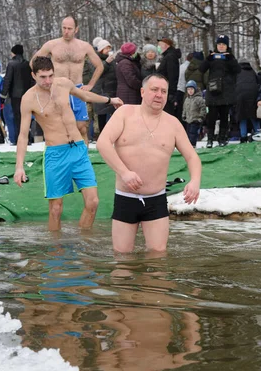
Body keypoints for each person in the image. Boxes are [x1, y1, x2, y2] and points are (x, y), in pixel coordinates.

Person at [13, 57, 123, 231]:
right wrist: (19, 167)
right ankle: (56, 252)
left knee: (93, 202)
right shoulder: (28, 99)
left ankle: (82, 243)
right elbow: (23, 135)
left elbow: (85, 95)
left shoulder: (63, 84)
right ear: (33, 75)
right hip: (55, 154)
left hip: (78, 149)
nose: (48, 81)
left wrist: (110, 100)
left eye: (50, 75)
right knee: (56, 209)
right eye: (43, 77)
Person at [96, 73, 201, 253]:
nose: (159, 95)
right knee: (122, 259)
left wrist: (195, 181)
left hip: (156, 199)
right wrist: (124, 172)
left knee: (158, 258)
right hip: (125, 197)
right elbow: (102, 143)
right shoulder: (125, 113)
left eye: (163, 91)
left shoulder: (173, 123)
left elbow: (192, 157)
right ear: (143, 92)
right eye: (154, 90)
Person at [32, 16, 104, 146]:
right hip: (58, 89)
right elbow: (33, 63)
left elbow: (99, 66)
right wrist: (44, 81)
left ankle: (83, 158)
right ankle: (64, 156)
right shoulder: (52, 45)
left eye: (69, 28)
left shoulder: (84, 46)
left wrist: (90, 85)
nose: (66, 31)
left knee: (82, 127)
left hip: (77, 89)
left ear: (76, 29)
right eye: (64, 28)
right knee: (60, 127)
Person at [199, 35, 241, 147]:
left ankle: (222, 139)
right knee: (211, 117)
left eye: (223, 44)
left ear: (227, 46)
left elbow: (237, 70)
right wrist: (208, 58)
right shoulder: (212, 57)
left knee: (224, 116)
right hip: (213, 91)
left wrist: (230, 59)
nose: (221, 46)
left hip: (226, 92)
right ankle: (210, 139)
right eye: (219, 44)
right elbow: (201, 69)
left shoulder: (230, 57)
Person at [1, 44, 34, 145]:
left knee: (17, 117)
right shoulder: (28, 64)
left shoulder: (11, 64)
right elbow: (32, 79)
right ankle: (27, 138)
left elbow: (8, 80)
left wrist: (3, 95)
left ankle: (18, 139)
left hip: (15, 95)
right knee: (26, 116)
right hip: (27, 94)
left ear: (14, 53)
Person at [92, 39, 118, 132]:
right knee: (102, 115)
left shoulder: (112, 59)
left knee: (113, 115)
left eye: (109, 48)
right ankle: (102, 136)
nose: (108, 50)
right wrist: (106, 63)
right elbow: (98, 72)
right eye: (106, 48)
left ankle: (112, 135)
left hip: (111, 90)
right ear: (101, 49)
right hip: (101, 90)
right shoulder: (95, 59)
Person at [235, 58, 261, 143]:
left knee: (242, 117)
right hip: (252, 96)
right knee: (254, 116)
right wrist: (260, 75)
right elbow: (260, 81)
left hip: (240, 96)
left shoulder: (237, 72)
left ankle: (243, 137)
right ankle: (258, 134)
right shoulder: (252, 71)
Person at [156, 38, 180, 114]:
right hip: (164, 90)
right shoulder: (166, 56)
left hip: (167, 92)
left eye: (160, 45)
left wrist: (171, 93)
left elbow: (172, 75)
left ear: (166, 45)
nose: (158, 47)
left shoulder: (170, 57)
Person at [115, 42, 142, 106]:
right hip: (128, 95)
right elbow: (131, 80)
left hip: (128, 93)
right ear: (132, 52)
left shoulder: (127, 61)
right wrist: (142, 85)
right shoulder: (125, 63)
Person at [182, 80, 206, 147]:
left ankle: (192, 144)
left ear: (195, 89)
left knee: (193, 133)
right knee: (188, 133)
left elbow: (203, 109)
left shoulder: (199, 99)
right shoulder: (187, 99)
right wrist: (184, 115)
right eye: (188, 89)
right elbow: (185, 108)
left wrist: (201, 117)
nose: (190, 91)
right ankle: (189, 144)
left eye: (191, 89)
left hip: (195, 119)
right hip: (188, 120)